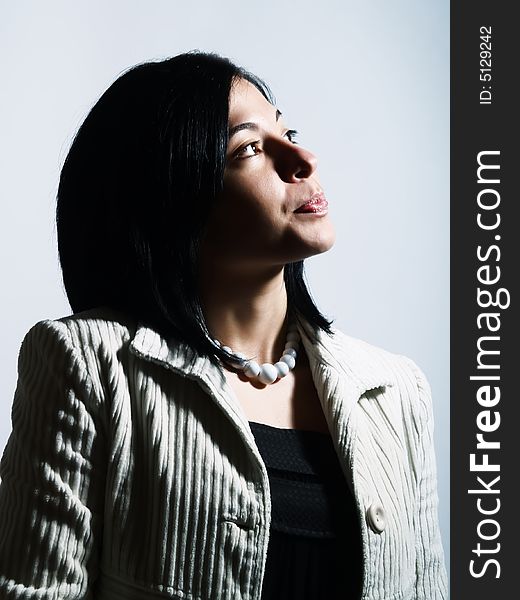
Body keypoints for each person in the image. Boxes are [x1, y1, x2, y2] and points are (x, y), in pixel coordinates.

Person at [0, 51, 448, 599]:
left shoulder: (396, 391)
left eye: (289, 131)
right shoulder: (89, 365)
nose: (302, 158)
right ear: (172, 198)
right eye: (250, 148)